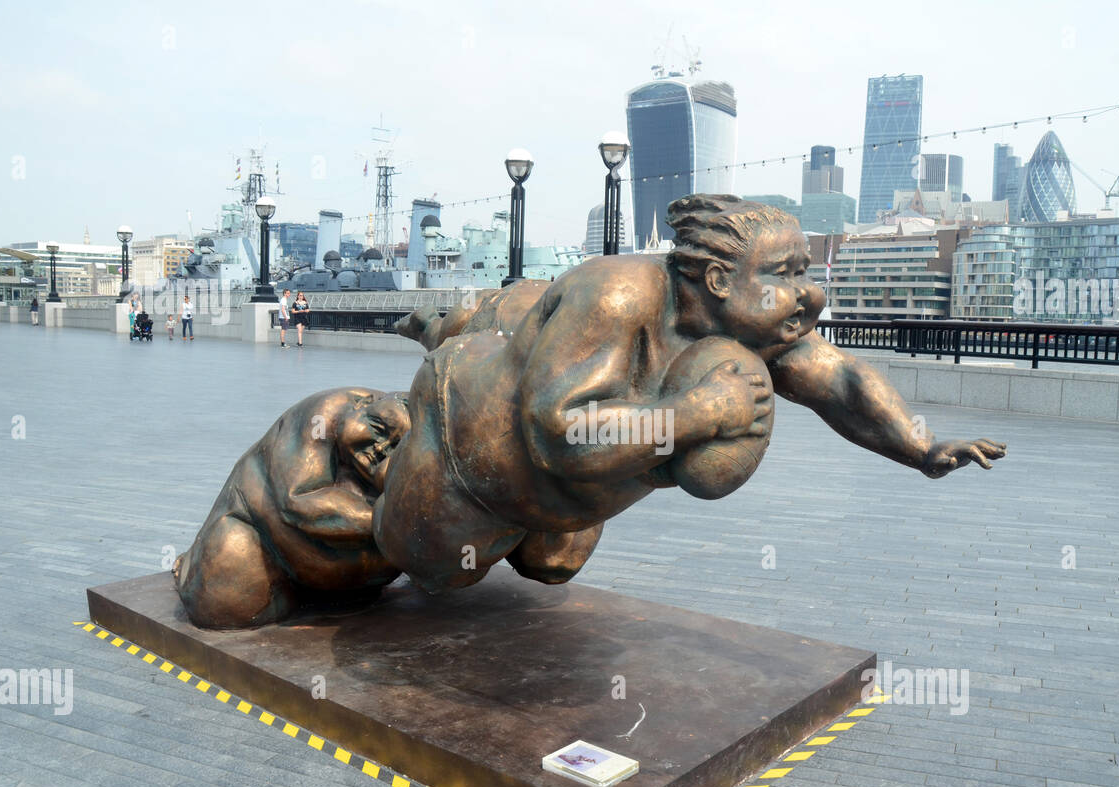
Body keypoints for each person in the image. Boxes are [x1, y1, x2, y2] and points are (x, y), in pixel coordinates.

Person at [376, 194, 1006, 595]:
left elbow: (841, 382)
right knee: (415, 560)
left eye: (806, 273)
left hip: (564, 504)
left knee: (552, 566)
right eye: (785, 276)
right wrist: (701, 412)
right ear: (717, 279)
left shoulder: (752, 330)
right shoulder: (619, 294)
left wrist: (920, 446)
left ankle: (453, 329)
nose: (809, 295)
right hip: (466, 444)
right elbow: (560, 430)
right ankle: (419, 348)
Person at [173, 388, 410, 628]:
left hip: (353, 588)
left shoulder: (421, 452)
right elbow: (301, 500)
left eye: (396, 450)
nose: (379, 449)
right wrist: (391, 520)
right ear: (361, 405)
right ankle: (195, 565)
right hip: (264, 544)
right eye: (378, 430)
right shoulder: (321, 417)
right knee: (225, 600)